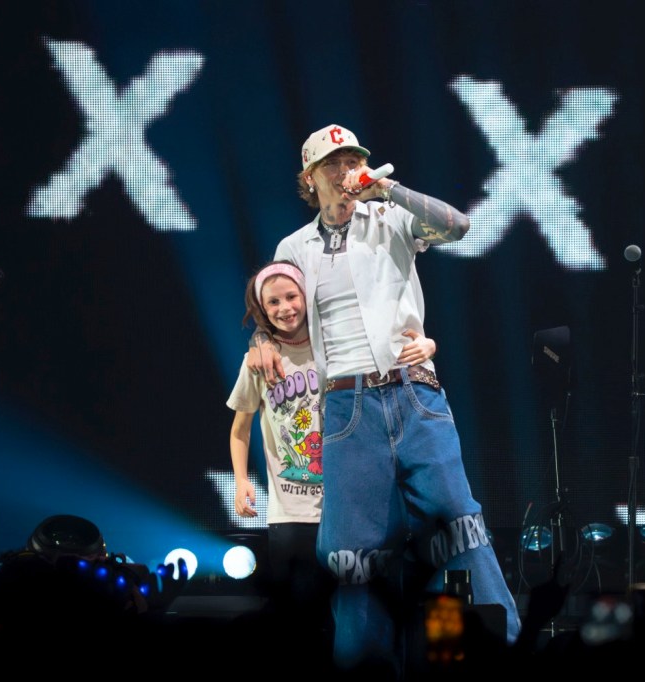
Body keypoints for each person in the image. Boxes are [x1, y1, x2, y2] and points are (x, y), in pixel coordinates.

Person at [249, 124, 521, 673]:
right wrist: (261, 339)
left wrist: (387, 189)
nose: (345, 170)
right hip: (346, 406)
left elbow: (459, 226)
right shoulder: (293, 247)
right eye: (333, 163)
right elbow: (277, 308)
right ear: (310, 177)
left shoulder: (389, 216)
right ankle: (365, 669)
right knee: (352, 552)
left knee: (457, 525)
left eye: (352, 160)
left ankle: (486, 653)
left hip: (413, 391)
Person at [228, 259, 437, 662]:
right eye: (274, 302)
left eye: (292, 296)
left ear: (307, 297)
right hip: (290, 514)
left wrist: (428, 347)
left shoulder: (337, 348)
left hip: (346, 509)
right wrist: (240, 481)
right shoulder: (258, 361)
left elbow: (396, 357)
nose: (285, 308)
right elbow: (240, 428)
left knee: (351, 618)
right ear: (262, 309)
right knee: (297, 623)